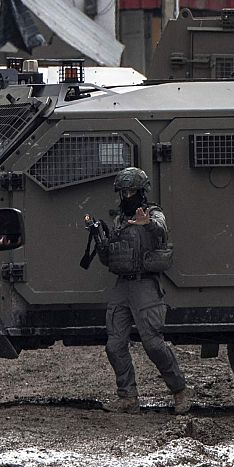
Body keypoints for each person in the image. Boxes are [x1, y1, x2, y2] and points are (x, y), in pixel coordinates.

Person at [84, 167, 193, 415]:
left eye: (131, 190)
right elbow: (108, 257)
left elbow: (161, 230)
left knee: (154, 344)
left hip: (145, 285)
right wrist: (99, 238)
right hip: (123, 286)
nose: (127, 195)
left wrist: (148, 224)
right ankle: (128, 398)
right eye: (123, 191)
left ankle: (180, 392)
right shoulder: (119, 220)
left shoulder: (153, 213)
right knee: (114, 345)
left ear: (141, 192)